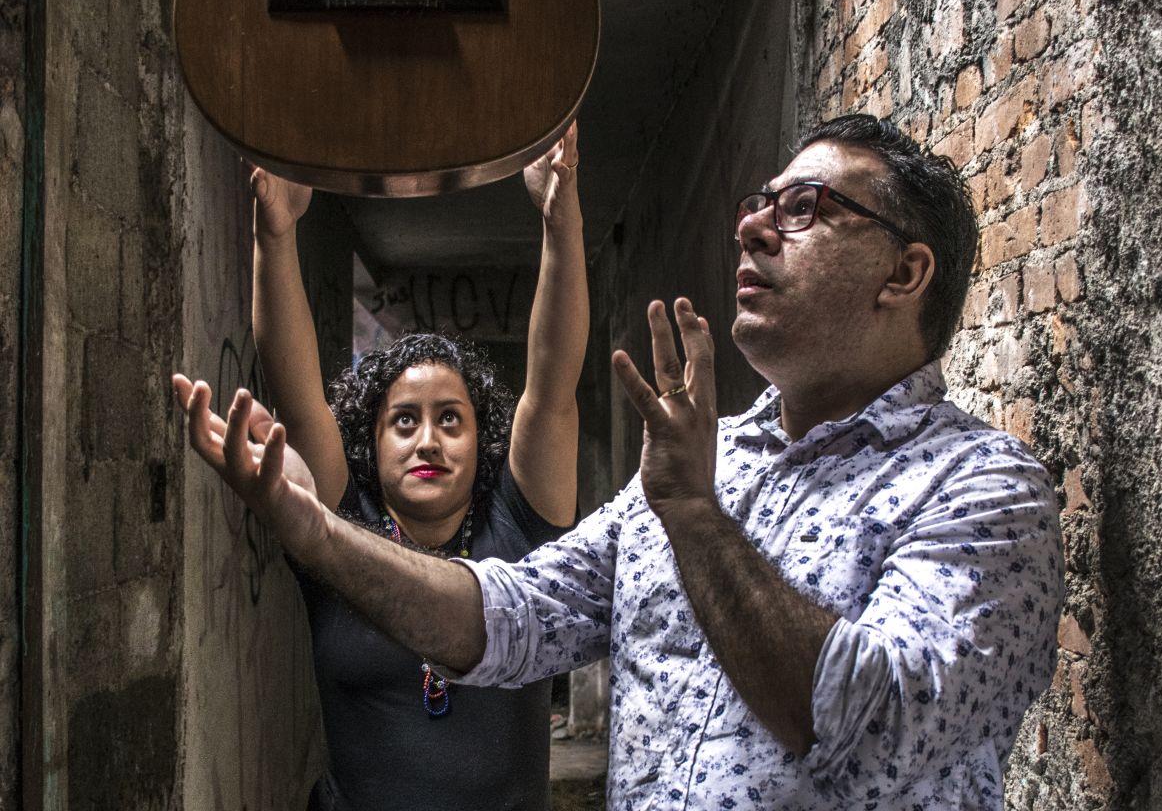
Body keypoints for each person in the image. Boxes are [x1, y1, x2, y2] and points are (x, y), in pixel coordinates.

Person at [177, 113, 1063, 811]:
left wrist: (695, 516)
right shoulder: (710, 463)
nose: (753, 225)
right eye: (760, 202)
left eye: (804, 209)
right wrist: (316, 535)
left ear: (904, 274)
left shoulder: (982, 489)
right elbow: (513, 615)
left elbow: (870, 728)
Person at [240, 124, 587, 811]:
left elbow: (551, 384)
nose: (428, 440)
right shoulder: (338, 531)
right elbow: (299, 392)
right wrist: (274, 235)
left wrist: (559, 218)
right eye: (405, 420)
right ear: (372, 440)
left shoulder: (519, 529)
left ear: (481, 436)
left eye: (450, 419)